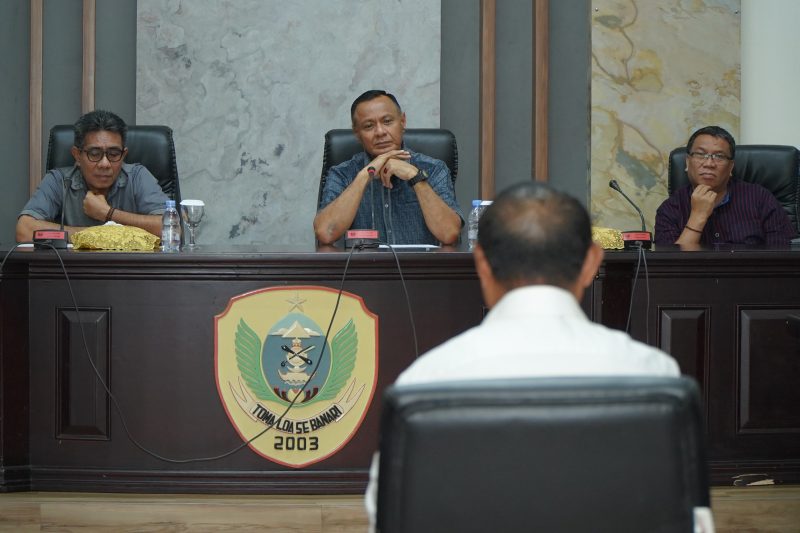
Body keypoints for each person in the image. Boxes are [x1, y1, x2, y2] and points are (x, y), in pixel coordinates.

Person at [365, 181, 682, 530]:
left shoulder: (423, 383)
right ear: (592, 261)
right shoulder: (656, 376)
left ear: (481, 263)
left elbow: (389, 517)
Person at [314, 90, 463, 245]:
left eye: (387, 121)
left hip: (418, 262)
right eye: (368, 126)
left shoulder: (434, 169)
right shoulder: (342, 174)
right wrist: (365, 175)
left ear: (402, 122)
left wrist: (415, 177)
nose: (380, 132)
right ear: (357, 134)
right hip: (364, 262)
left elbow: (449, 234)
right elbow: (325, 233)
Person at [16, 110, 168, 242]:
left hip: (128, 266)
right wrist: (98, 235)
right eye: (94, 154)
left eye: (114, 154)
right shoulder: (59, 181)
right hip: (73, 266)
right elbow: (24, 230)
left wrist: (109, 213)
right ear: (77, 155)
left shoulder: (137, 176)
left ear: (123, 155)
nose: (105, 164)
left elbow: (170, 229)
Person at [654, 125, 795, 246]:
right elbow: (671, 265)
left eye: (719, 156)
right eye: (700, 154)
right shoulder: (670, 209)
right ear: (687, 162)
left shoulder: (760, 199)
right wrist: (698, 216)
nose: (709, 164)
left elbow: (782, 257)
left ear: (731, 167)